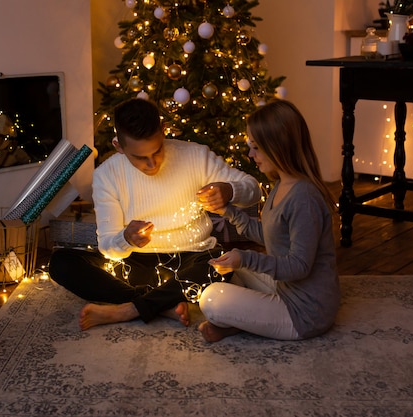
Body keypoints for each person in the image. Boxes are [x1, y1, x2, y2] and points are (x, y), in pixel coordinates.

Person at [48, 98, 261, 330]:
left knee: (222, 265)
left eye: (157, 151)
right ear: (119, 146)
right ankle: (163, 302)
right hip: (135, 265)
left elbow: (253, 189)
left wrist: (229, 190)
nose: (151, 164)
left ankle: (130, 307)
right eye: (140, 157)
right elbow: (108, 247)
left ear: (163, 131)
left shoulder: (196, 156)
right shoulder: (106, 175)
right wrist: (126, 238)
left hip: (191, 258)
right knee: (61, 263)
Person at [197, 99, 340, 343]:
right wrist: (227, 211)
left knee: (211, 298)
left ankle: (245, 322)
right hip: (286, 289)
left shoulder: (303, 197)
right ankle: (245, 323)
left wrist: (245, 257)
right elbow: (269, 236)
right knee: (235, 274)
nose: (250, 155)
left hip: (306, 311)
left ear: (278, 147)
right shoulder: (281, 184)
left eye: (256, 147)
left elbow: (299, 266)